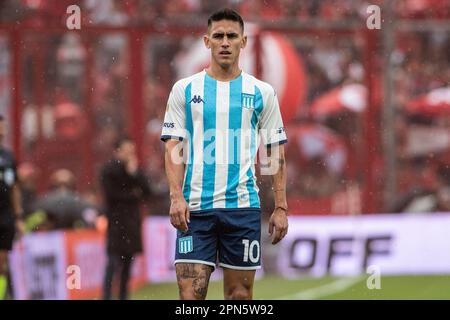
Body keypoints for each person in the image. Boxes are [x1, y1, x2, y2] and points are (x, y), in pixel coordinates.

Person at [161, 8, 289, 300]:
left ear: (243, 42)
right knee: (190, 296)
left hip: (242, 208)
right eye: (218, 36)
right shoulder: (184, 89)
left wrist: (280, 206)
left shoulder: (262, 92)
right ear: (207, 42)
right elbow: (173, 146)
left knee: (240, 295)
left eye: (232, 36)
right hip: (195, 210)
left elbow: (273, 150)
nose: (225, 42)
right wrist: (176, 196)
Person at [100, 136, 151, 300]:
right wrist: (133, 194)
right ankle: (107, 295)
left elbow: (148, 192)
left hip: (132, 223)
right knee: (113, 262)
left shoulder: (135, 170)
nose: (130, 154)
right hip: (116, 223)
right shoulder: (108, 170)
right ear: (117, 151)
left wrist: (134, 174)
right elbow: (112, 195)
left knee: (128, 262)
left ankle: (123, 296)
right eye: (127, 150)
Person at [0, 115, 25, 299]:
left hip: (5, 216)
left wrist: (18, 217)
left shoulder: (8, 157)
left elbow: (14, 188)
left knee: (2, 262)